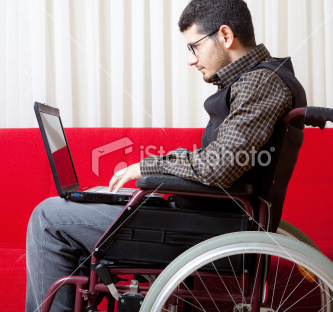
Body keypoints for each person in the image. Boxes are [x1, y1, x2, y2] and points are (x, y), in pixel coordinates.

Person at [26, 0, 306, 311]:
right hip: (204, 218)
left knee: (48, 217)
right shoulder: (252, 81)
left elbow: (220, 168)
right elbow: (220, 161)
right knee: (69, 215)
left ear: (225, 35)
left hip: (207, 227)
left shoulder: (261, 82)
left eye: (194, 47)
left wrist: (146, 166)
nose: (191, 60)